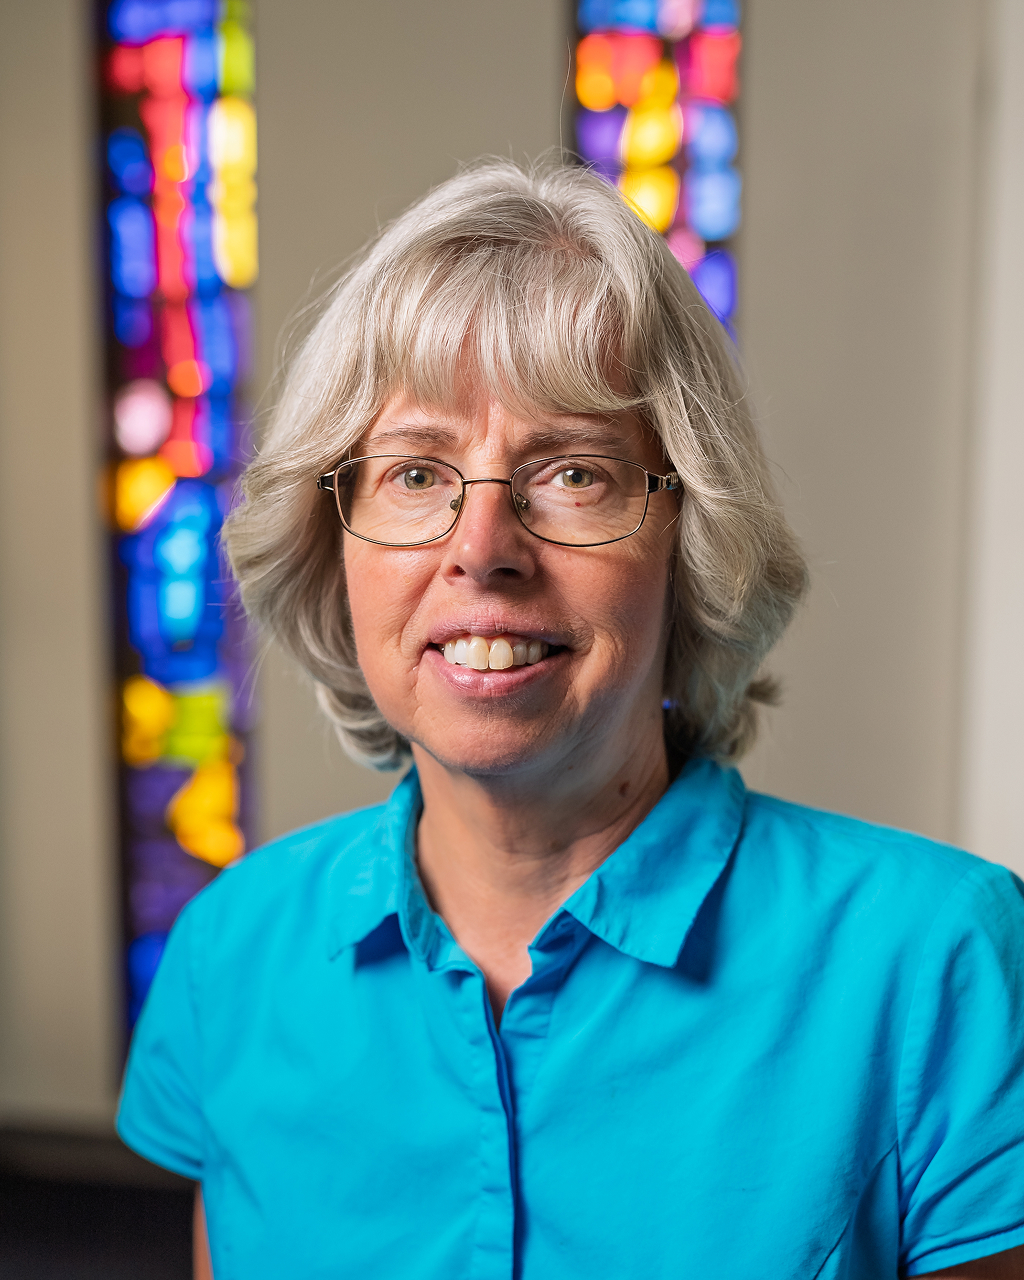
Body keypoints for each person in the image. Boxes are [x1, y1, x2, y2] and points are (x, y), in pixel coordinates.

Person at [117, 160, 1024, 1280]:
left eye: (574, 472)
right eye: (413, 472)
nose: (483, 545)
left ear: (691, 542)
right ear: (329, 537)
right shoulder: (232, 946)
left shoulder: (937, 957)